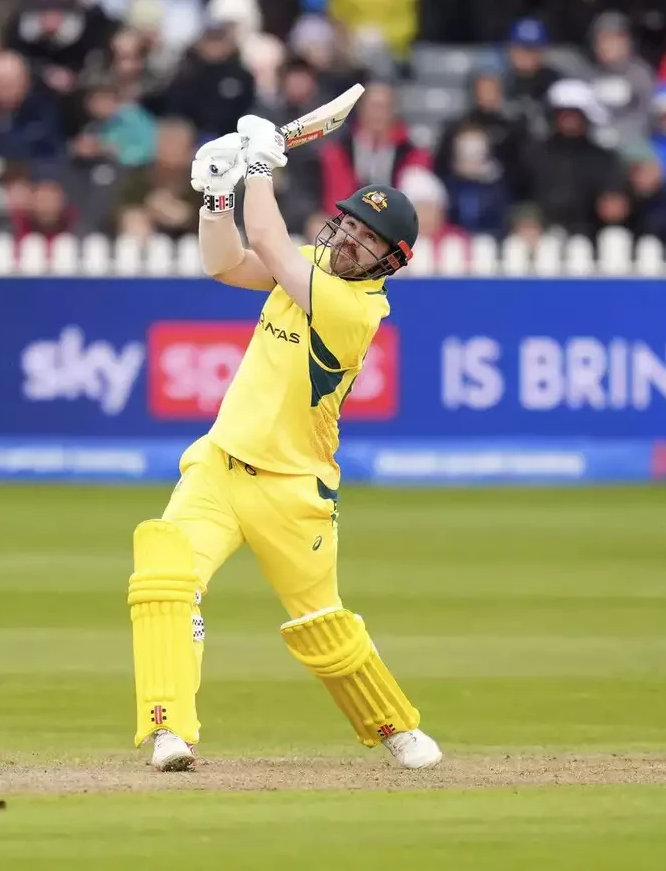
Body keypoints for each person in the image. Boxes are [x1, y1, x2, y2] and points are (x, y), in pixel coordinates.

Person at [125, 112, 442, 772]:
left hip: (295, 489)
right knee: (164, 579)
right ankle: (169, 731)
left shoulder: (356, 311)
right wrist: (216, 194)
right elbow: (229, 262)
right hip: (218, 465)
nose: (347, 237)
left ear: (393, 260)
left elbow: (268, 239)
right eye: (348, 222)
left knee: (320, 625)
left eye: (366, 235)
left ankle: (395, 727)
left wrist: (262, 166)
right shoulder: (315, 266)